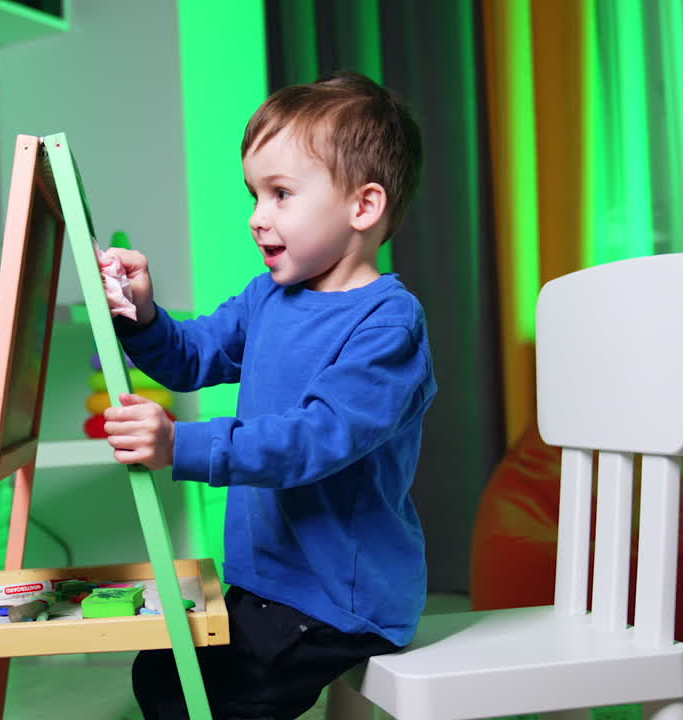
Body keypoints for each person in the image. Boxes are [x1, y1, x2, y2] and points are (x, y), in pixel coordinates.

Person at [100, 70, 437, 720]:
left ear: (363, 207)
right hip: (267, 581)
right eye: (254, 195)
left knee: (206, 695)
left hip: (339, 598)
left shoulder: (389, 325)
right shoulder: (269, 298)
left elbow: (314, 439)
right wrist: (142, 315)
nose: (257, 218)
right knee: (163, 670)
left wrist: (180, 444)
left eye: (281, 194)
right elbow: (192, 354)